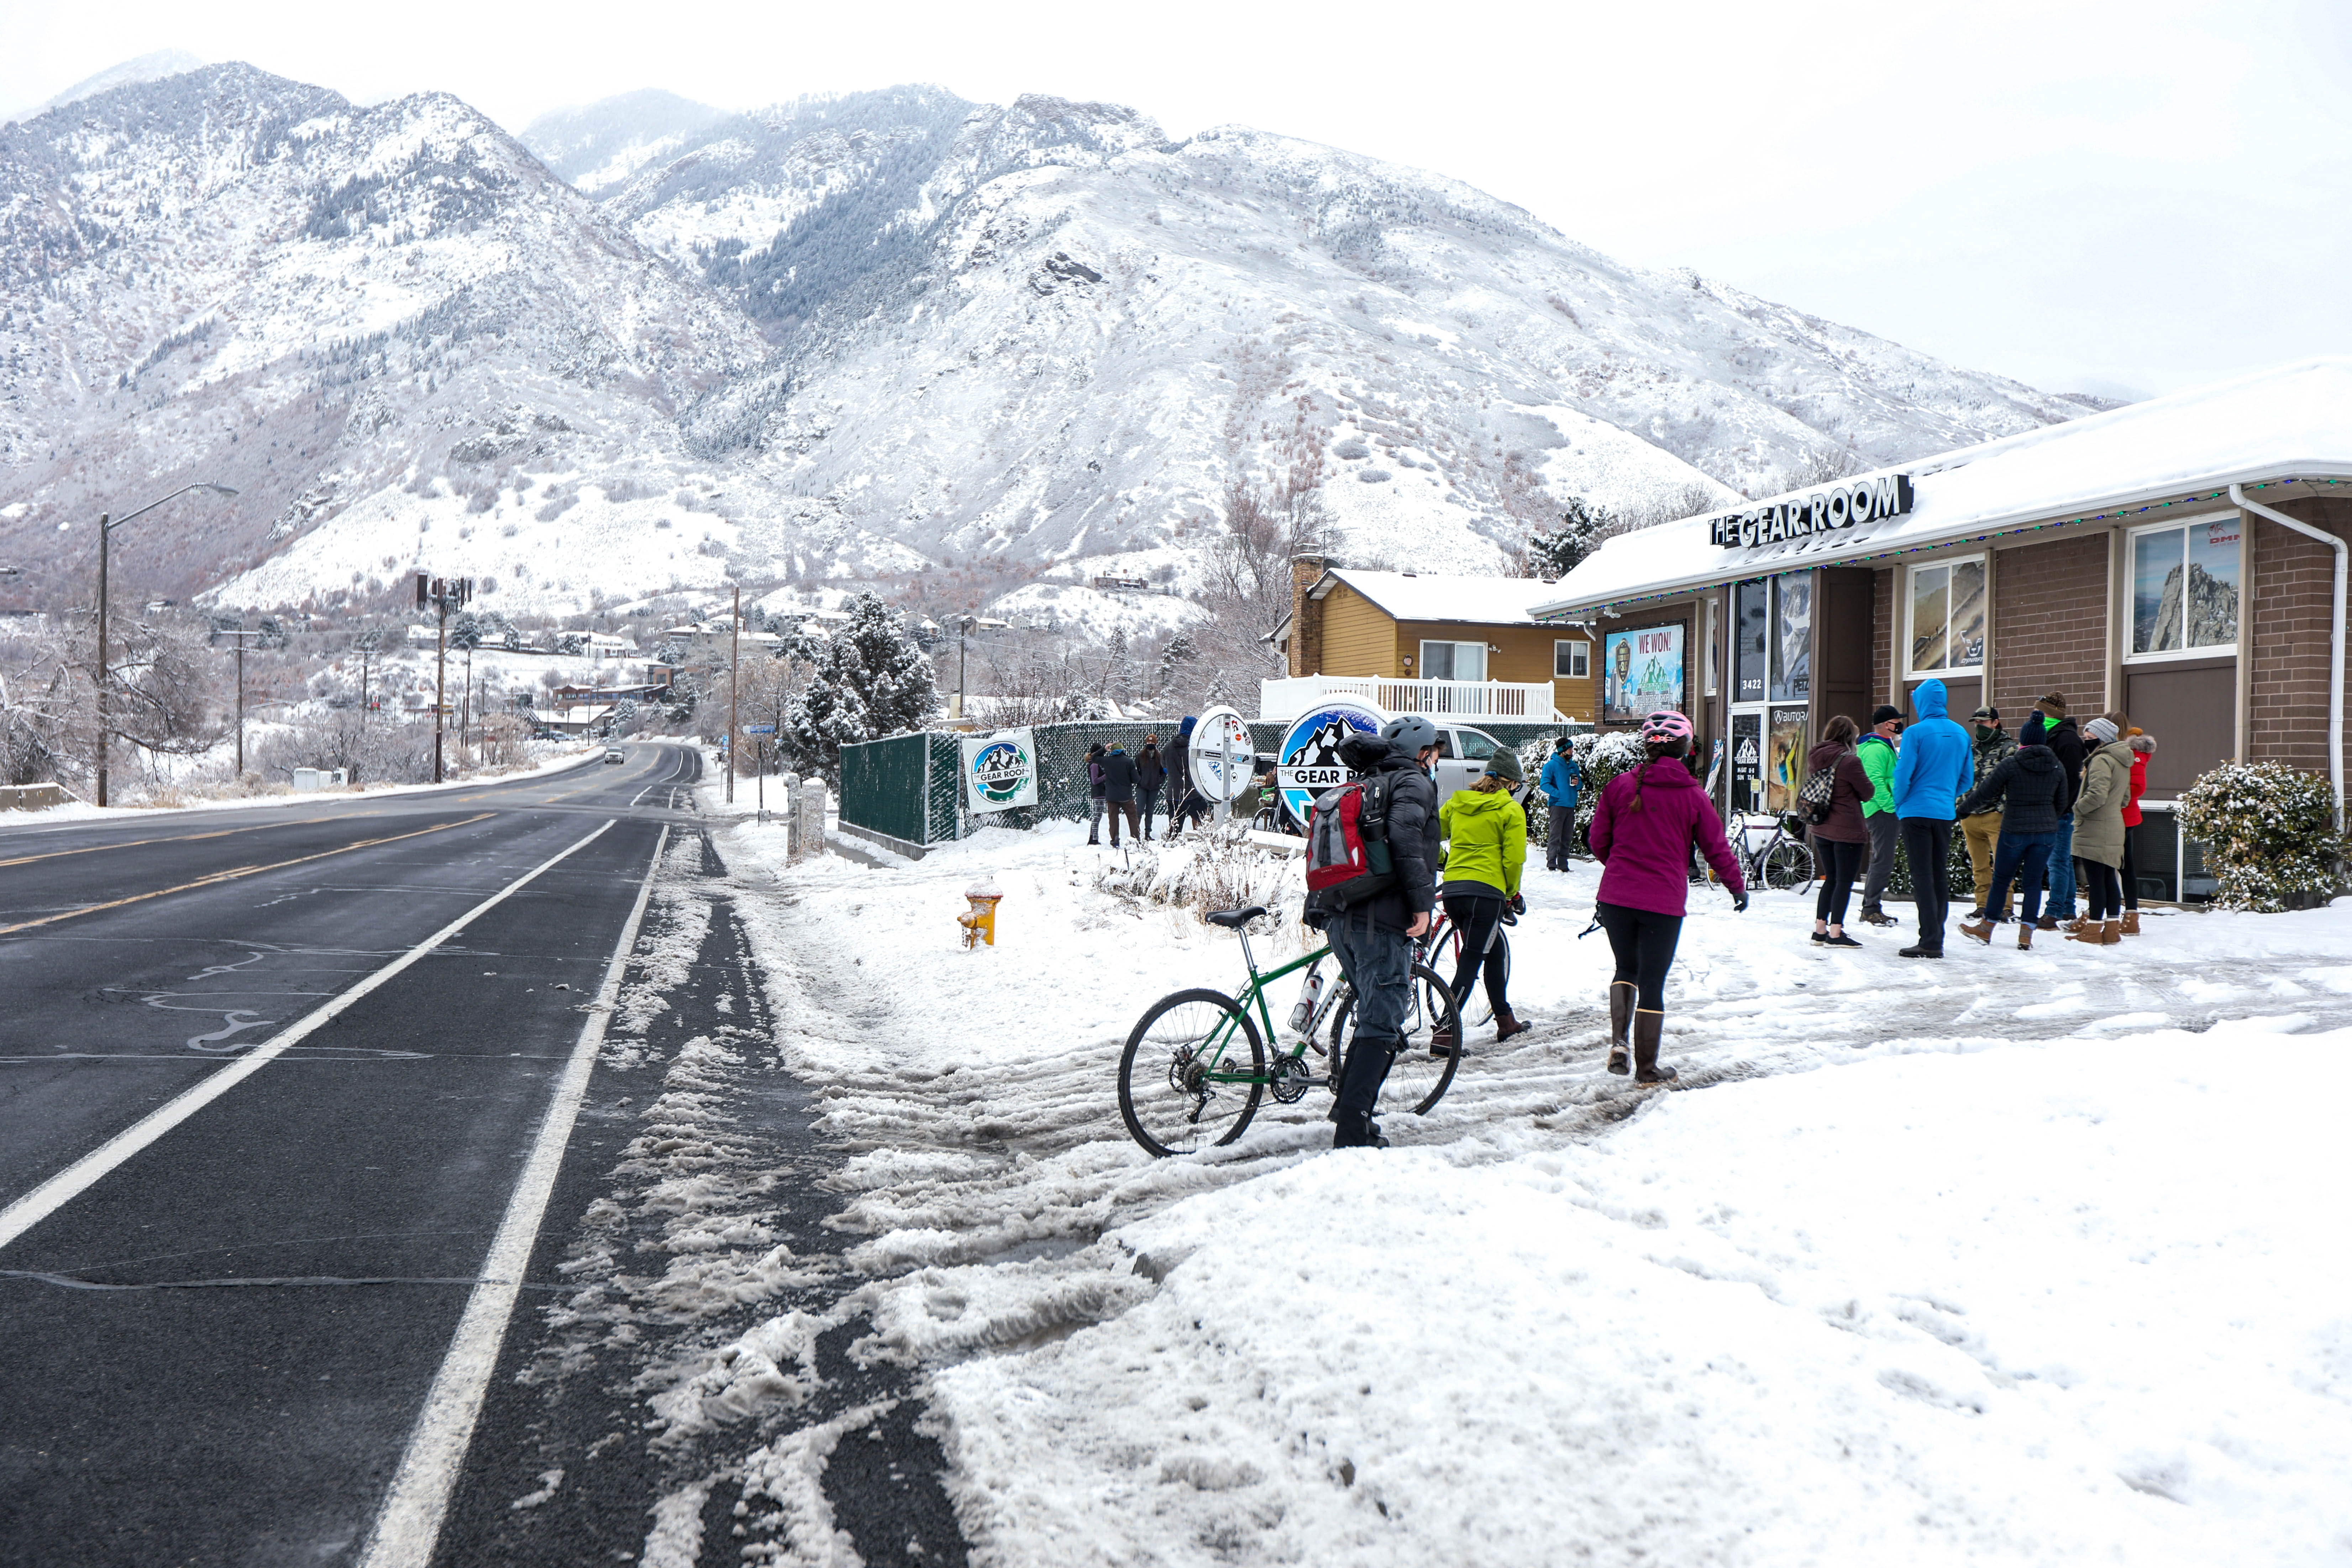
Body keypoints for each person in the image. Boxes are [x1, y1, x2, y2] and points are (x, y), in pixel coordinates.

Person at [1586, 709, 1747, 1084]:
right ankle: (1646, 1069)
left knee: (1625, 968)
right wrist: (1735, 886)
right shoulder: (1692, 795)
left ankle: (1618, 1043)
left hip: (1615, 898)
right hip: (1662, 902)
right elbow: (1716, 848)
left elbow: (1597, 840)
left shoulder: (1619, 786)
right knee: (1653, 983)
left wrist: (1620, 870)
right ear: (1686, 748)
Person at [1318, 715, 1443, 1149]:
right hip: (1381, 921)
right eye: (1434, 753)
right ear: (1421, 752)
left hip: (1343, 919)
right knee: (1382, 1018)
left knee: (1375, 1015)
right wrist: (1422, 905)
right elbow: (1405, 842)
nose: (1435, 761)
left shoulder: (1367, 782)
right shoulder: (1412, 783)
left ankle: (1351, 1110)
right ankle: (1353, 1127)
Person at [1437, 748, 1530, 1045]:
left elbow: (1428, 835)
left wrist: (1444, 860)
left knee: (1495, 950)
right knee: (1471, 961)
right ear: (1511, 784)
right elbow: (1514, 860)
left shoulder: (1456, 804)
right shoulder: (1511, 810)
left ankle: (1505, 1020)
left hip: (1454, 892)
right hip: (1486, 896)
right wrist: (1511, 893)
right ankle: (1444, 1032)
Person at [1953, 731, 2070, 948]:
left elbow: (1985, 793)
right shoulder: (2056, 766)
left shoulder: (2012, 764)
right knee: (2033, 883)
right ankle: (2026, 935)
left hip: (2015, 829)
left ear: (2023, 741)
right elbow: (2063, 800)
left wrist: (1962, 811)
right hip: (2045, 833)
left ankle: (1986, 928)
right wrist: (2047, 820)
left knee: (2002, 879)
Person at [1889, 678, 1974, 958]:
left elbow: (1903, 775)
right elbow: (1967, 779)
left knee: (1922, 874)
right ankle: (1937, 935)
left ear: (1922, 702)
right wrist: (1947, 794)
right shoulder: (1962, 733)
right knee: (1938, 874)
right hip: (1944, 813)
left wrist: (1900, 801)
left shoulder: (1916, 733)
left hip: (1916, 812)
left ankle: (1929, 940)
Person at [1804, 714, 1874, 948]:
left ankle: (1819, 931)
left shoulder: (1815, 756)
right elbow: (1868, 793)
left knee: (1831, 880)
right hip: (1847, 830)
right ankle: (1836, 933)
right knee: (1844, 881)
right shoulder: (1850, 761)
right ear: (1848, 737)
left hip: (1822, 827)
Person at [2021, 694, 2086, 928]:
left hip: (2058, 812)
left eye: (2039, 710)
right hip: (2050, 809)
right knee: (2062, 862)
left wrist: (2058, 809)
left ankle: (2055, 911)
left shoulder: (2067, 740)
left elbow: (2071, 780)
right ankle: (2067, 908)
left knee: (2056, 863)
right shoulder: (2050, 735)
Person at [2067, 713, 2133, 945]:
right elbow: (2125, 798)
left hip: (2095, 827)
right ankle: (2112, 930)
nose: (2086, 741)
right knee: (2109, 879)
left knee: (2096, 881)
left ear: (2103, 739)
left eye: (2090, 737)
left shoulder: (2102, 760)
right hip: (2115, 824)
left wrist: (2078, 808)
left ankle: (2094, 930)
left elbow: (2097, 795)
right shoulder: (2123, 760)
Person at [1960, 706, 2016, 921]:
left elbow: (2012, 782)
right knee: (1979, 866)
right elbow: (1962, 778)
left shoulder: (2009, 749)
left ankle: (2006, 907)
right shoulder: (1972, 750)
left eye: (1983, 722)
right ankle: (1982, 905)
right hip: (1971, 816)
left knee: (2003, 864)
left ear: (1995, 723)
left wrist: (2002, 809)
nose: (1979, 727)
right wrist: (1961, 804)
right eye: (1976, 723)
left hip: (1995, 816)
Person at [1855, 706, 1904, 926]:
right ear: (1887, 725)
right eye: (1896, 721)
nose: (1900, 725)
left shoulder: (1883, 746)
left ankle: (1871, 906)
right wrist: (1891, 806)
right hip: (1881, 811)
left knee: (1882, 859)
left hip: (1881, 809)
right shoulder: (1877, 749)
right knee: (1882, 860)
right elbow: (1874, 781)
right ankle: (1871, 908)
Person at [2120, 729, 2154, 933]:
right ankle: (2128, 915)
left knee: (2124, 866)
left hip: (2124, 816)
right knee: (2123, 866)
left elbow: (2138, 787)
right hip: (2124, 815)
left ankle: (2130, 915)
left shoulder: (2136, 756)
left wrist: (2116, 796)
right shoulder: (2134, 755)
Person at [1538, 736, 1582, 871]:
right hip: (1557, 805)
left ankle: (1564, 864)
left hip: (1571, 806)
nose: (1572, 751)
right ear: (1563, 750)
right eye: (1570, 749)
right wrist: (1558, 794)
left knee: (1567, 836)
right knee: (1555, 835)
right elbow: (1544, 785)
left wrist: (1578, 784)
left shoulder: (1573, 766)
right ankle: (1552, 863)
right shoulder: (1551, 766)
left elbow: (1579, 784)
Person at [1099, 741, 1140, 846]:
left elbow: (1093, 758)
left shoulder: (1107, 761)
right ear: (1122, 749)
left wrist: (1104, 750)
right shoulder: (1129, 761)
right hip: (1126, 795)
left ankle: (1115, 839)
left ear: (1112, 751)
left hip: (1112, 796)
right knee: (1132, 817)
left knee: (1113, 818)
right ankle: (1136, 839)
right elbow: (1136, 780)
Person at [1136, 735, 1165, 840]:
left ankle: (1148, 833)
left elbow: (1163, 771)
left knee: (1150, 811)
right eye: (1148, 743)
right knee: (1139, 811)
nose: (1150, 745)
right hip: (1142, 787)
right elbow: (1136, 770)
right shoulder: (1140, 756)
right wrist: (1140, 780)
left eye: (1152, 743)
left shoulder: (1159, 757)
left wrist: (1160, 780)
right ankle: (1136, 833)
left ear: (1156, 744)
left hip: (1154, 788)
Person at [1084, 742, 1108, 846]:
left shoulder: (1095, 764)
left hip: (1100, 792)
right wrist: (1106, 776)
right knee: (1097, 817)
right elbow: (1095, 781)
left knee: (1097, 816)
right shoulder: (1094, 765)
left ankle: (1092, 838)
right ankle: (1094, 839)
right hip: (1099, 793)